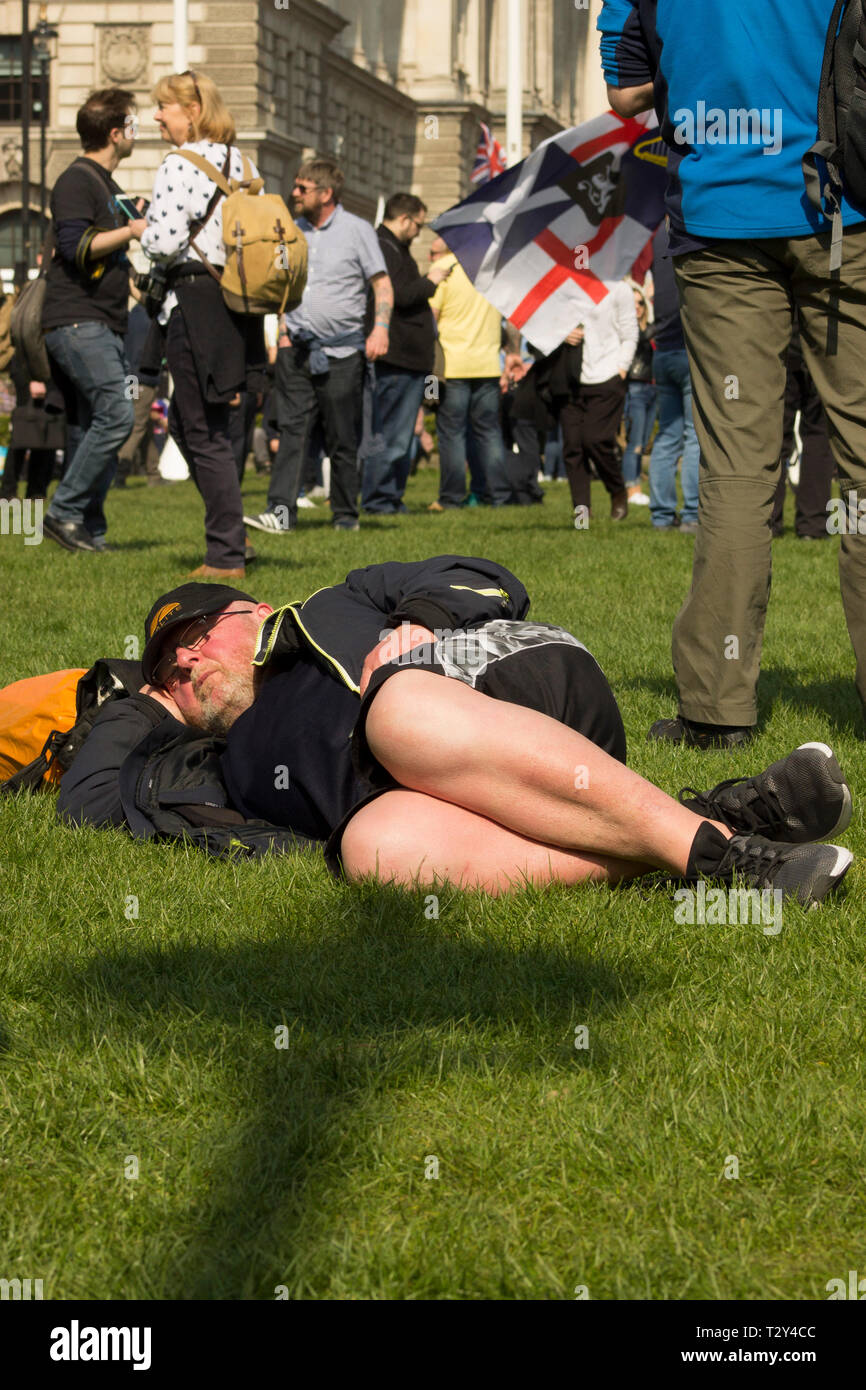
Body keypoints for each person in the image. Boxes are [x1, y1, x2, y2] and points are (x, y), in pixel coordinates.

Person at [57, 556, 852, 906]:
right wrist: (145, 698)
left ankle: (714, 858)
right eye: (170, 662)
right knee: (375, 852)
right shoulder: (219, 764)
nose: (188, 658)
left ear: (257, 610)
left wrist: (418, 621)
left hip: (509, 685)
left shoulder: (332, 603)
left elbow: (486, 576)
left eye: (198, 632)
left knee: (398, 716)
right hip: (457, 800)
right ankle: (721, 822)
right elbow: (87, 801)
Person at [600, 2, 866, 747]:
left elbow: (623, 93)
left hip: (721, 221)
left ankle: (717, 710)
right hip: (844, 206)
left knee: (739, 471)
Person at [139, 69, 267, 580]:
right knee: (195, 424)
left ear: (191, 111)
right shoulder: (243, 161)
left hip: (193, 300)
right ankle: (233, 530)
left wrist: (145, 227)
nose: (155, 116)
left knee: (201, 428)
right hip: (236, 300)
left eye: (164, 107)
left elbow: (163, 242)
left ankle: (225, 555)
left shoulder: (178, 163)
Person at [244, 157, 393, 535]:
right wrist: (280, 330)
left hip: (343, 352)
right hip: (296, 349)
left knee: (342, 435)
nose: (294, 193)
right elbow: (281, 286)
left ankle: (345, 514)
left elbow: (381, 284)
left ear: (326, 194)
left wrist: (380, 330)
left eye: (302, 188)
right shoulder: (291, 232)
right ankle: (281, 513)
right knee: (292, 430)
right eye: (295, 186)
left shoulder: (358, 230)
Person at [41, 87, 145, 552]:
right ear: (115, 132)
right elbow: (73, 247)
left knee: (88, 424)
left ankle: (88, 529)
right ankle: (63, 513)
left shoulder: (108, 185)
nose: (137, 134)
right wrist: (130, 230)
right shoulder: (77, 180)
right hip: (77, 321)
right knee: (117, 411)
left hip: (103, 321)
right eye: (134, 125)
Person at [361, 193, 451, 514]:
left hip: (407, 359)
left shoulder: (393, 249)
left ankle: (389, 498)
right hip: (396, 358)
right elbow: (396, 295)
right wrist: (430, 281)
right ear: (404, 219)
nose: (419, 232)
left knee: (397, 435)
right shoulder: (384, 248)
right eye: (418, 224)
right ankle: (379, 500)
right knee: (391, 435)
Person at [428, 248, 514, 510]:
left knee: (452, 434)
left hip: (453, 365)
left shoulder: (445, 267)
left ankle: (452, 498)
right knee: (488, 432)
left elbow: (432, 316)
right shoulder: (494, 270)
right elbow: (508, 317)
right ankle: (498, 495)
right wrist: (512, 354)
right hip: (487, 364)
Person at [558, 280, 638, 525]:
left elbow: (629, 332)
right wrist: (562, 332)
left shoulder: (619, 287)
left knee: (595, 439)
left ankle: (617, 491)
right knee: (573, 447)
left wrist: (622, 367)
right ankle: (582, 514)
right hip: (570, 377)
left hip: (608, 376)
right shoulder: (565, 284)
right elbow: (545, 325)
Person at [646, 222, 700, 533]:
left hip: (662, 351)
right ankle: (692, 513)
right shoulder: (692, 233)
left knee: (667, 435)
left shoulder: (655, 239)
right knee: (694, 436)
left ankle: (661, 516)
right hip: (687, 350)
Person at [770, 329, 836, 541]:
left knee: (775, 439)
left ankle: (768, 521)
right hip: (821, 349)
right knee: (820, 436)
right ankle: (813, 525)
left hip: (784, 348)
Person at [621, 280, 655, 506]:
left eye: (641, 303)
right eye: (632, 303)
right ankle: (631, 490)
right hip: (634, 388)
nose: (638, 308)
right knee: (633, 443)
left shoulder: (649, 328)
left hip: (653, 388)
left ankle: (636, 488)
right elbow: (640, 340)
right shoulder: (628, 331)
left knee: (642, 444)